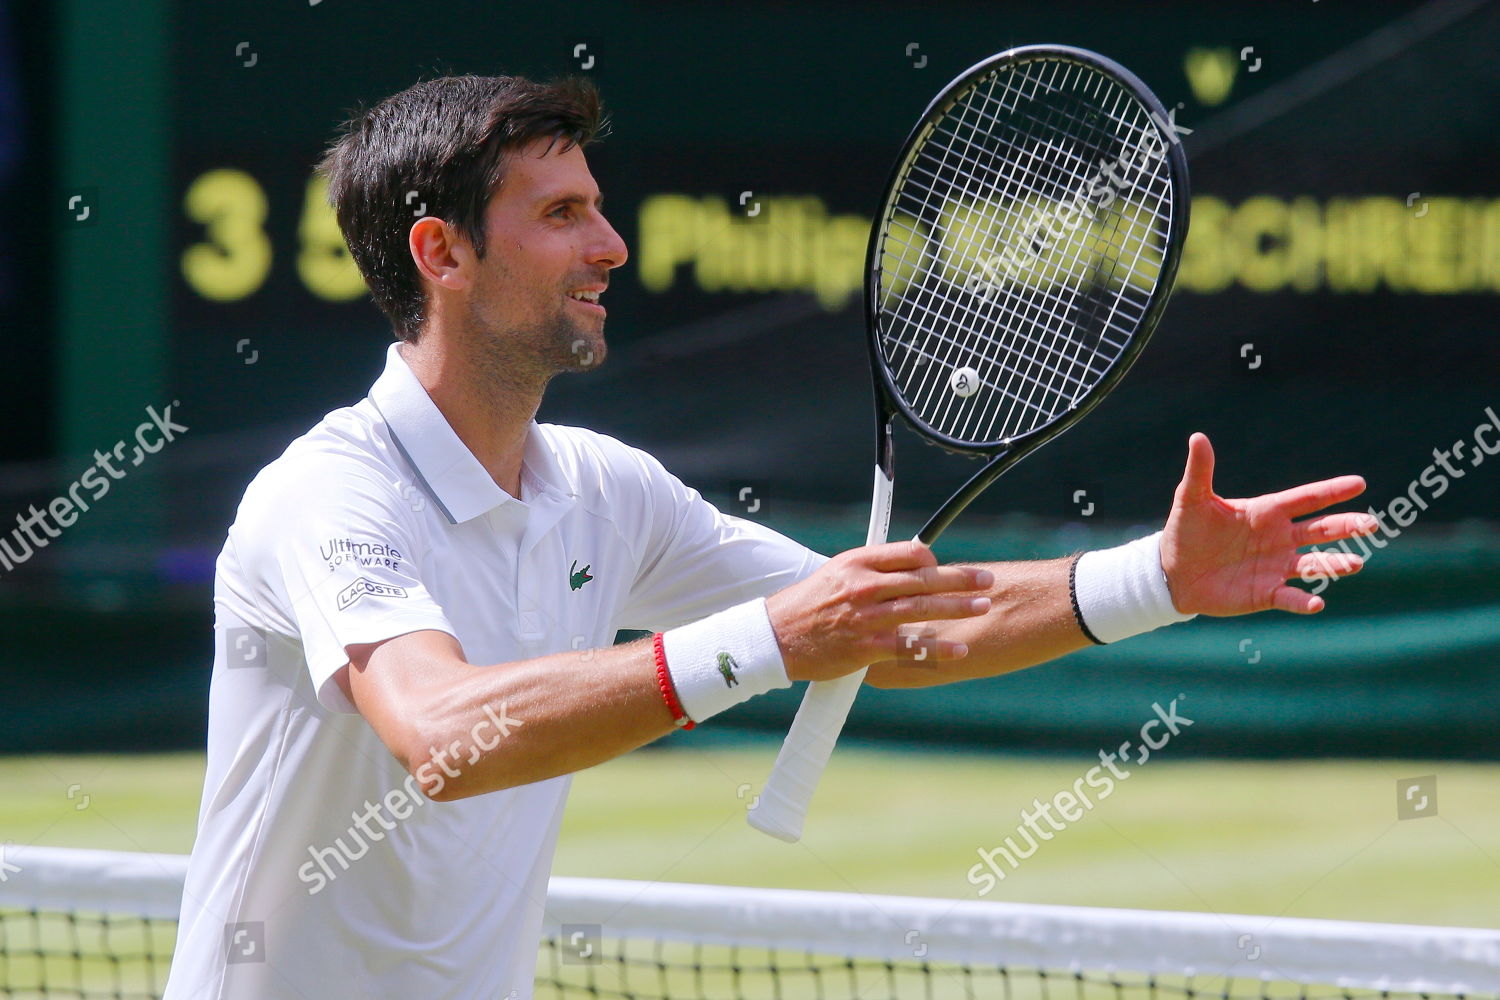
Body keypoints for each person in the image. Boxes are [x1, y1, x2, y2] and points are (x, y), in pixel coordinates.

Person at [163, 74, 1374, 1000]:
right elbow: (441, 733)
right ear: (443, 253)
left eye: (599, 207)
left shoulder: (604, 488)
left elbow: (895, 632)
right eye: (563, 212)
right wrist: (764, 643)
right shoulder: (327, 493)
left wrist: (1154, 578)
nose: (611, 245)